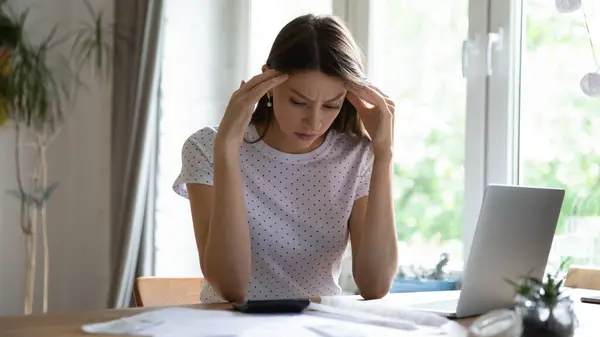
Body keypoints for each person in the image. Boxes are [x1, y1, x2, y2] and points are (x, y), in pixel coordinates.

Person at [173, 13, 398, 304]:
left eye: (331, 105)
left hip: (323, 327)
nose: (314, 122)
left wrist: (384, 155)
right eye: (299, 102)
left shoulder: (356, 156)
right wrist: (227, 150)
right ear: (268, 80)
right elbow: (231, 288)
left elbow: (376, 285)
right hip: (232, 328)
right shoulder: (206, 147)